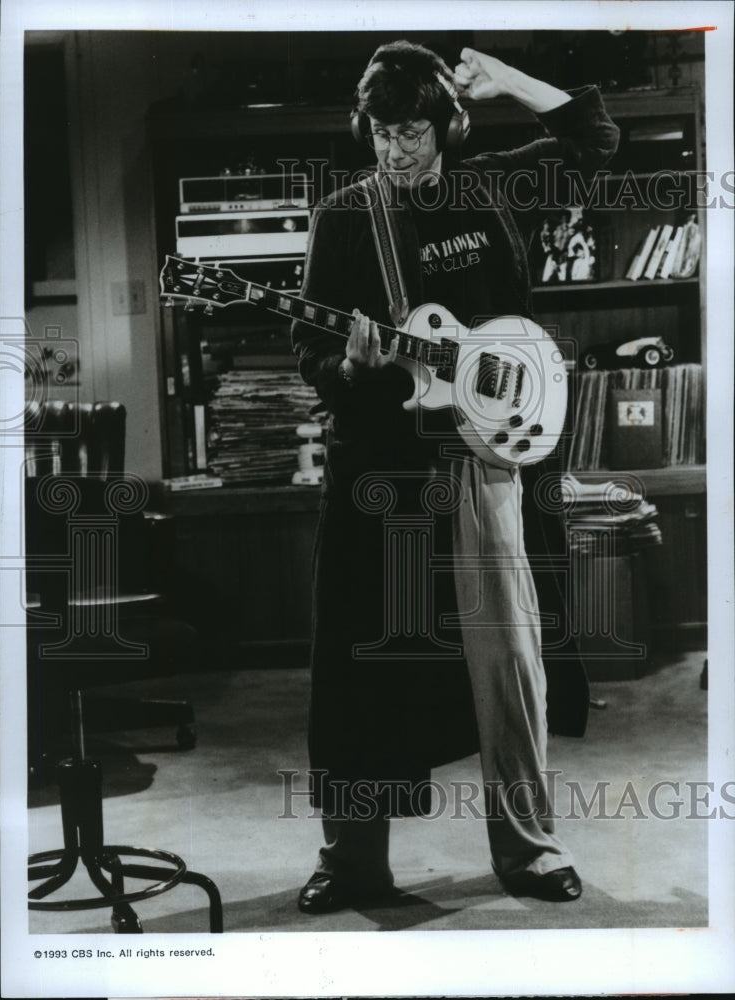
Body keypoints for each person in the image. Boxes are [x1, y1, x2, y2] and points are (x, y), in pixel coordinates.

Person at [291, 40, 619, 914]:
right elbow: (311, 354)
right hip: (381, 472)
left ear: (446, 125)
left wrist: (507, 78)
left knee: (510, 663)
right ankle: (353, 859)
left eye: (413, 131)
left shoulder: (491, 186)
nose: (397, 150)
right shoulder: (345, 217)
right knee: (363, 665)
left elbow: (593, 137)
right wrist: (355, 366)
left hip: (486, 461)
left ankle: (529, 848)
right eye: (383, 133)